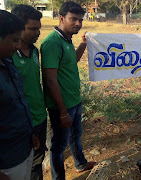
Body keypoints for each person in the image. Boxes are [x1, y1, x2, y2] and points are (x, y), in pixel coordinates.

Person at [40, 2, 95, 179]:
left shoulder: (66, 39)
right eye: (73, 19)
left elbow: (73, 61)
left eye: (80, 20)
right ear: (61, 18)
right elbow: (50, 79)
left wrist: (83, 44)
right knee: (58, 146)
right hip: (62, 106)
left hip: (74, 100)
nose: (78, 23)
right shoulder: (52, 43)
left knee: (76, 135)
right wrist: (62, 112)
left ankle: (79, 163)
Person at [0, 10, 40, 180]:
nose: (17, 46)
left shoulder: (7, 62)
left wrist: (29, 132)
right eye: (14, 40)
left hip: (23, 148)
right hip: (6, 163)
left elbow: (18, 102)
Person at [11, 5, 48, 180]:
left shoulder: (34, 51)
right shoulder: (8, 56)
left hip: (40, 117)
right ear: (18, 28)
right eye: (32, 29)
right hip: (22, 123)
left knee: (37, 162)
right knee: (25, 166)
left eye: (39, 28)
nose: (38, 33)